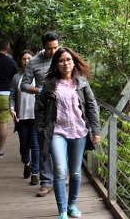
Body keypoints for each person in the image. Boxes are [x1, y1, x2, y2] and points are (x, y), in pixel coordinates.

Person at [35, 47, 101, 219]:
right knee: (59, 170)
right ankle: (62, 210)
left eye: (69, 60)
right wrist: (42, 129)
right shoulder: (49, 84)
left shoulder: (82, 82)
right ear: (57, 64)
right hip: (57, 131)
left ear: (74, 62)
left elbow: (92, 107)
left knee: (76, 172)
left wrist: (96, 131)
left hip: (79, 131)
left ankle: (72, 205)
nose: (66, 63)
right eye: (62, 60)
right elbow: (40, 109)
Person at [21, 31, 59, 197]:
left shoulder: (62, 56)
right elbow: (24, 85)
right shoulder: (34, 62)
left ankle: (61, 176)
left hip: (62, 108)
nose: (53, 52)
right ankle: (46, 183)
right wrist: (40, 90)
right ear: (43, 46)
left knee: (61, 141)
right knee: (43, 145)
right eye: (50, 48)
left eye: (56, 47)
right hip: (43, 108)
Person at [9, 50, 40, 185]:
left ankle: (34, 173)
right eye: (24, 59)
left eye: (29, 58)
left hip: (35, 116)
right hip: (21, 117)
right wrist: (12, 109)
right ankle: (26, 163)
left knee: (35, 144)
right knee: (24, 146)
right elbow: (12, 95)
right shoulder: (17, 77)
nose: (26, 61)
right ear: (20, 61)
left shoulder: (38, 77)